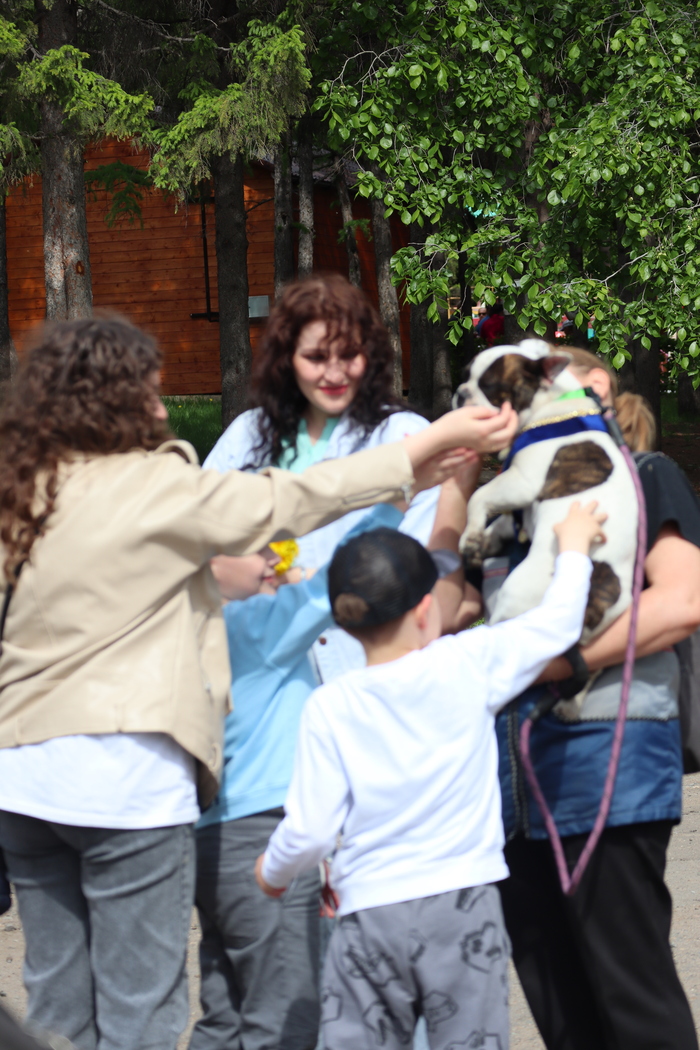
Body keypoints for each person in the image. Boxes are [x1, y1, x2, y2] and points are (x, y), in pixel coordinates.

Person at [0, 316, 518, 1050]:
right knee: (139, 1010)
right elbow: (290, 500)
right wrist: (421, 455)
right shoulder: (150, 485)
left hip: (22, 783)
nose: (162, 408)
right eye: (148, 392)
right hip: (122, 781)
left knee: (56, 1004)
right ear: (110, 399)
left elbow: (105, 581)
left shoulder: (23, 486)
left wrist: (218, 577)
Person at [255, 472, 607, 1050]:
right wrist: (573, 547)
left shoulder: (330, 705)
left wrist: (271, 873)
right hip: (461, 900)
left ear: (343, 623)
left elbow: (312, 830)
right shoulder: (466, 662)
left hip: (367, 911)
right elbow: (557, 624)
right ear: (426, 610)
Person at [493, 345, 700, 1050]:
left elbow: (682, 602)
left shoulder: (644, 474)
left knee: (631, 998)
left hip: (606, 756)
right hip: (512, 781)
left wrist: (564, 663)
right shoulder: (516, 503)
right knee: (558, 1005)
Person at [190, 503, 403, 1050]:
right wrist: (396, 500)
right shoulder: (253, 626)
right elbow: (342, 576)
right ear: (209, 560)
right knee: (286, 1020)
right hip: (264, 837)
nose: (274, 559)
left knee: (227, 1016)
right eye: (257, 549)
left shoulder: (190, 631)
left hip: (210, 839)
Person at [204, 274, 443, 681]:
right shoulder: (245, 435)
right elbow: (204, 540)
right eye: (316, 357)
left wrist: (293, 578)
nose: (334, 374)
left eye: (349, 354)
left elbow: (418, 563)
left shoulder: (406, 437)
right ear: (287, 359)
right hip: (267, 666)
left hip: (373, 666)